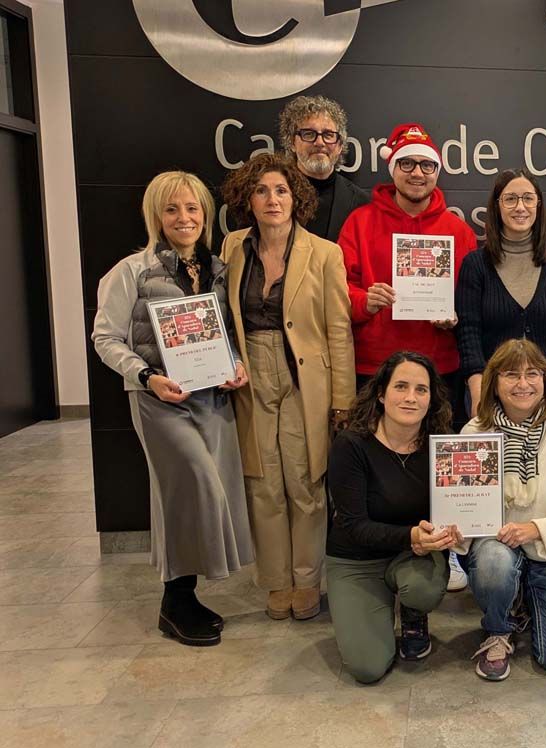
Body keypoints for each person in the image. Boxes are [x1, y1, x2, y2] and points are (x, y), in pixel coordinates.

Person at [93, 171, 253, 647]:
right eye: (172, 210)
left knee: (202, 492)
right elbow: (106, 337)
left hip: (212, 397)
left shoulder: (219, 270)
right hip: (158, 400)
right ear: (155, 216)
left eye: (192, 209)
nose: (184, 219)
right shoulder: (131, 271)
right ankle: (175, 599)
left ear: (205, 214)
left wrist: (237, 365)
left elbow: (228, 332)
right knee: (190, 485)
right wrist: (145, 377)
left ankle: (184, 597)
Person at [339, 122, 479, 593]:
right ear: (391, 167)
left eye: (426, 165)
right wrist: (365, 300)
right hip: (374, 364)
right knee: (380, 465)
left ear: (436, 172)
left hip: (438, 367)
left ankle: (449, 548)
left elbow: (469, 300)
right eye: (408, 163)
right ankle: (379, 548)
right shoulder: (359, 222)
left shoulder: (458, 231)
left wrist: (454, 316)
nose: (417, 173)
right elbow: (340, 290)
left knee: (441, 464)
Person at [220, 152, 356, 621]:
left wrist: (342, 401)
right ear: (248, 199)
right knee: (262, 482)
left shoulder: (324, 253)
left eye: (280, 190)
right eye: (261, 191)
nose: (272, 199)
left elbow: (339, 330)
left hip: (305, 377)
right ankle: (275, 582)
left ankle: (307, 581)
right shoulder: (232, 247)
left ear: (295, 198)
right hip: (250, 372)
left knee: (305, 482)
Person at [458, 339, 546, 681]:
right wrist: (455, 528)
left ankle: (525, 601)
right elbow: (464, 510)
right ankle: (498, 626)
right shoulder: (474, 432)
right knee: (494, 562)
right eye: (511, 375)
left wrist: (535, 529)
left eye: (532, 374)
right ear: (494, 382)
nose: (523, 384)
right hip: (499, 548)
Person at [325, 351, 459, 683]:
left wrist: (453, 531)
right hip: (357, 559)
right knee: (367, 668)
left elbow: (455, 510)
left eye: (421, 389)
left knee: (422, 590)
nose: (411, 397)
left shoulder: (442, 445)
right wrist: (410, 536)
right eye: (401, 386)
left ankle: (413, 613)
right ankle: (377, 608)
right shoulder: (351, 444)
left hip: (414, 555)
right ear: (382, 393)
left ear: (432, 399)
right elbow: (353, 526)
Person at [456, 169, 546, 417]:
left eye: (528, 198)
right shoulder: (475, 265)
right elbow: (468, 334)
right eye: (510, 199)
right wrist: (477, 396)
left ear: (538, 204)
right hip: (491, 394)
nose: (520, 207)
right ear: (497, 206)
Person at [277, 95, 370, 242]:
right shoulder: (272, 196)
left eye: (328, 135)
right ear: (292, 143)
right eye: (309, 134)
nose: (319, 142)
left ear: (340, 146)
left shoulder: (362, 203)